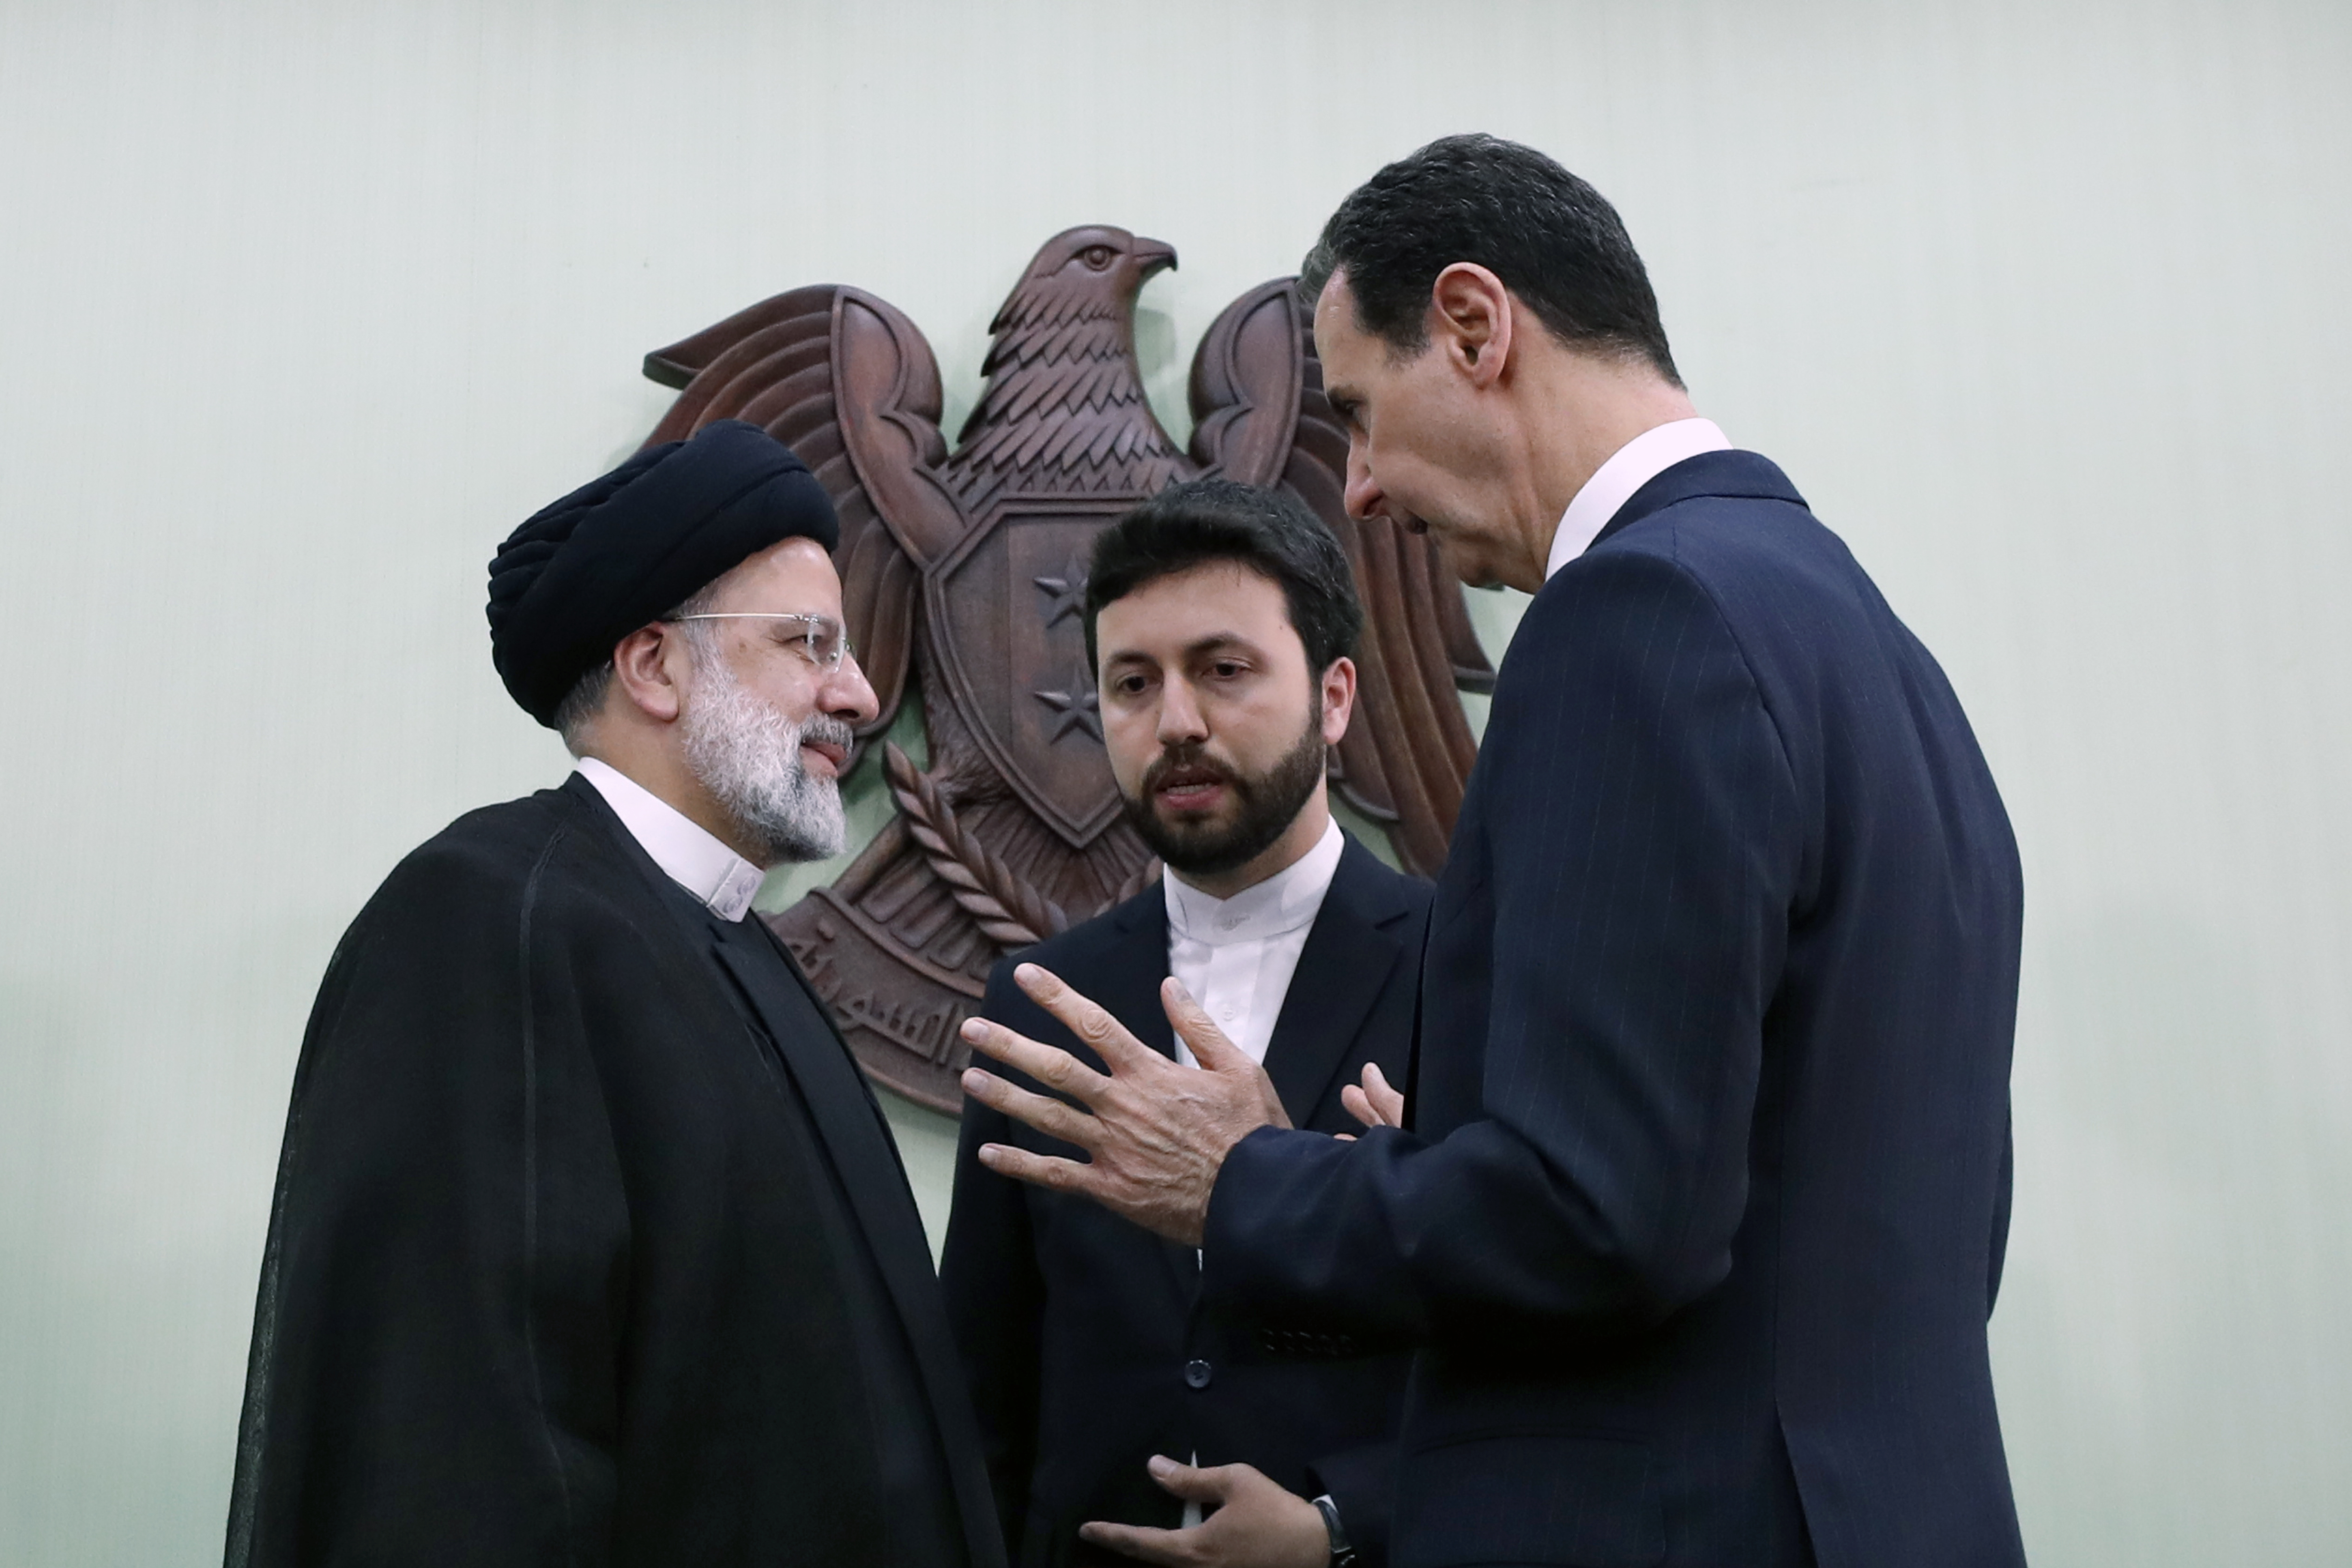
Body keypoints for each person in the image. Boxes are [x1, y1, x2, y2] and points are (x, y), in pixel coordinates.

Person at [956, 134, 2027, 1568]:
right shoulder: (1857, 631)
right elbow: (1832, 1189)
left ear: (1471, 325)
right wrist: (1451, 1165)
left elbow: (1603, 1221)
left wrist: (1245, 1175)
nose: (1363, 487)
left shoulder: (1636, 614)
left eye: (1359, 410)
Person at [225, 420, 1005, 1568]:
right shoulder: (490, 923)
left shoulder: (732, 941)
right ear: (655, 667)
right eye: (811, 644)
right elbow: (453, 1456)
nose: (861, 690)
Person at [941, 479, 1423, 1568]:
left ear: (1335, 696)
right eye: (1132, 683)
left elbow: (1544, 1360)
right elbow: (984, 1388)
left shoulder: (1469, 972)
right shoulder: (1039, 1001)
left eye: (1223, 670)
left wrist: (1347, 1528)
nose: (1178, 723)